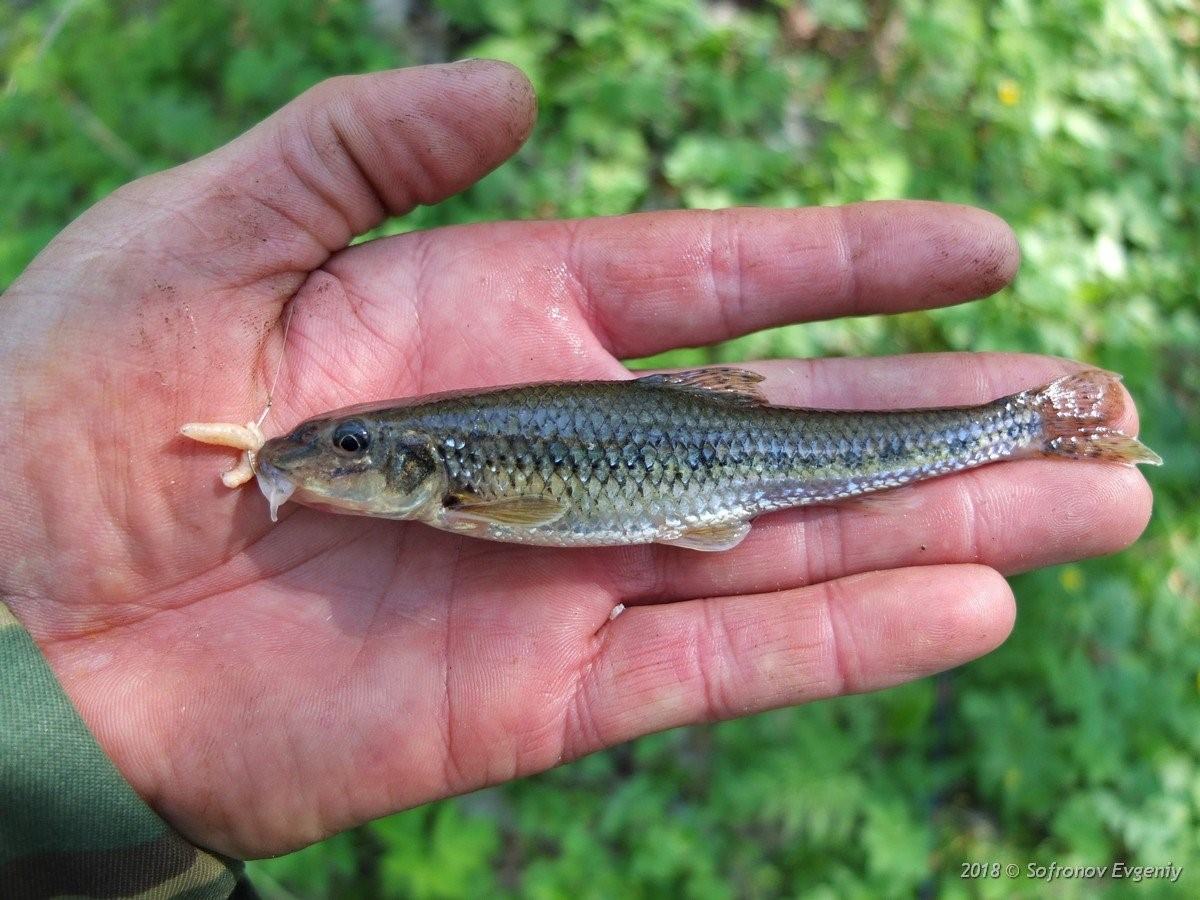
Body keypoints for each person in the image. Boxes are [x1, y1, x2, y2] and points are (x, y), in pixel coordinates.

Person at [0, 61, 1152, 896]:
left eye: (350, 451)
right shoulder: (423, 475)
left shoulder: (450, 475)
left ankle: (1021, 426)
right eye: (343, 451)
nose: (324, 465)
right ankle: (1028, 425)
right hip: (704, 467)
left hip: (712, 460)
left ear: (414, 468)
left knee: (885, 469)